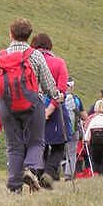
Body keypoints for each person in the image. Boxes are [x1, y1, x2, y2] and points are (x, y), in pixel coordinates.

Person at [0, 18, 60, 193]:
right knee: (36, 141)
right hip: (33, 105)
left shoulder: (1, 56)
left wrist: (2, 99)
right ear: (29, 36)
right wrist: (58, 96)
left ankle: (14, 186)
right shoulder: (35, 56)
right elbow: (48, 85)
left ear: (11, 34)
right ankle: (30, 168)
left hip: (7, 106)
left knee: (14, 146)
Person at [30, 33, 70, 184]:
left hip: (34, 107)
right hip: (56, 109)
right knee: (59, 145)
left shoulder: (30, 62)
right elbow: (61, 90)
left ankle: (40, 174)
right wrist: (51, 109)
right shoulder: (59, 63)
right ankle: (49, 171)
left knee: (41, 145)